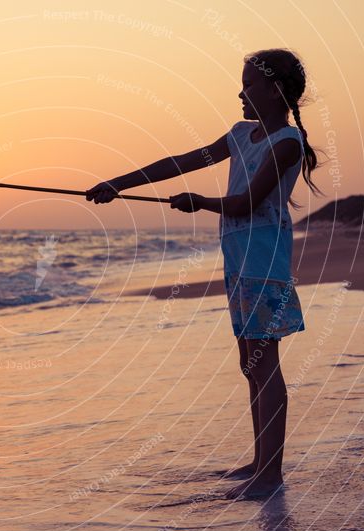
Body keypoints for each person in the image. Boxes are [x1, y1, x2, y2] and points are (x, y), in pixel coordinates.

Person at [86, 48, 323, 499]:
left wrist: (201, 202)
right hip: (238, 263)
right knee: (248, 363)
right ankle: (259, 463)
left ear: (275, 92)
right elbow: (180, 162)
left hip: (264, 263)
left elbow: (247, 203)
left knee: (263, 364)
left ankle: (270, 474)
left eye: (249, 84)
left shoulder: (286, 143)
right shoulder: (240, 134)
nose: (240, 92)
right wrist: (119, 184)